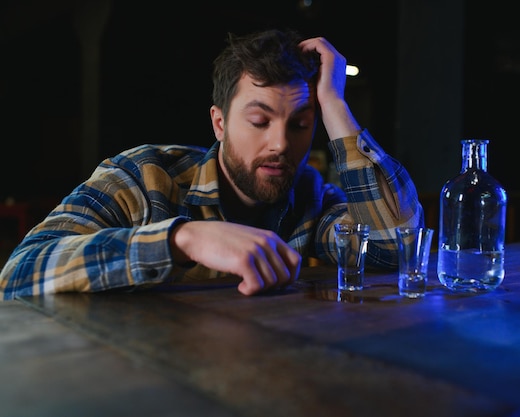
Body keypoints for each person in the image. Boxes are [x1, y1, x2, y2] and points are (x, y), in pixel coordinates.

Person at [0, 29, 423, 299]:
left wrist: (334, 106)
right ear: (219, 123)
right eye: (259, 121)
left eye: (300, 124)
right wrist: (183, 239)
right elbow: (18, 274)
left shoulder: (310, 198)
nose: (280, 143)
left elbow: (396, 248)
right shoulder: (143, 177)